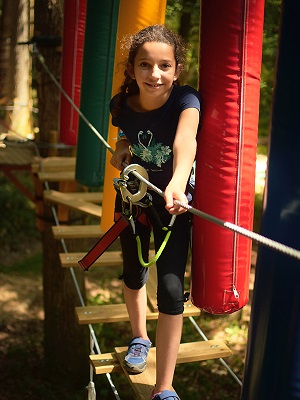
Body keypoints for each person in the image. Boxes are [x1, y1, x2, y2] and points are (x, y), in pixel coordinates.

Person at [110, 24, 200, 400]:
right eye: (145, 65)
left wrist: (178, 182)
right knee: (133, 272)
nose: (155, 74)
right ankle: (139, 336)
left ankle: (164, 388)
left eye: (164, 65)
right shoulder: (121, 103)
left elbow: (185, 142)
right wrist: (121, 145)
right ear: (132, 69)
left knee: (170, 288)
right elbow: (127, 129)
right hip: (133, 199)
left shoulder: (186, 100)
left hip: (172, 202)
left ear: (177, 70)